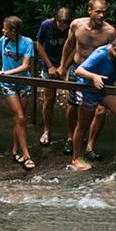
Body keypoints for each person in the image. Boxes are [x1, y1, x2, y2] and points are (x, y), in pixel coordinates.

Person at [58, 0, 116, 159]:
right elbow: (69, 44)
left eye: (104, 11)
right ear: (89, 10)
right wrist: (63, 65)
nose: (101, 15)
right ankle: (71, 138)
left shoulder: (110, 32)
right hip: (78, 70)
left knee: (100, 110)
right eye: (98, 11)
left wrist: (114, 79)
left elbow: (114, 56)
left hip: (99, 75)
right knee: (73, 105)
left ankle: (90, 146)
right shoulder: (77, 25)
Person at [0, 15, 37, 170]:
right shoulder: (3, 41)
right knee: (20, 116)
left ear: (13, 30)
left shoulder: (27, 42)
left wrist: (6, 72)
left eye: (5, 28)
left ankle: (15, 149)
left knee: (20, 118)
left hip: (23, 83)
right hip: (8, 84)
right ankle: (26, 155)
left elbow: (25, 66)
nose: (2, 30)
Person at [70, 35, 116, 171]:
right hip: (89, 90)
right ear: (115, 49)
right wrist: (94, 77)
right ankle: (76, 158)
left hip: (105, 89)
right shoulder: (101, 54)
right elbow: (79, 70)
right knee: (83, 125)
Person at [34, 8, 72, 147]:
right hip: (49, 62)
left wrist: (64, 66)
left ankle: (71, 135)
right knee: (49, 99)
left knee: (71, 101)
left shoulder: (72, 27)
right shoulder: (46, 25)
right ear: (56, 20)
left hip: (67, 64)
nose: (63, 26)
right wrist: (50, 65)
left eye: (66, 23)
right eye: (61, 23)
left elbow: (74, 47)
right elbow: (39, 45)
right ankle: (47, 130)